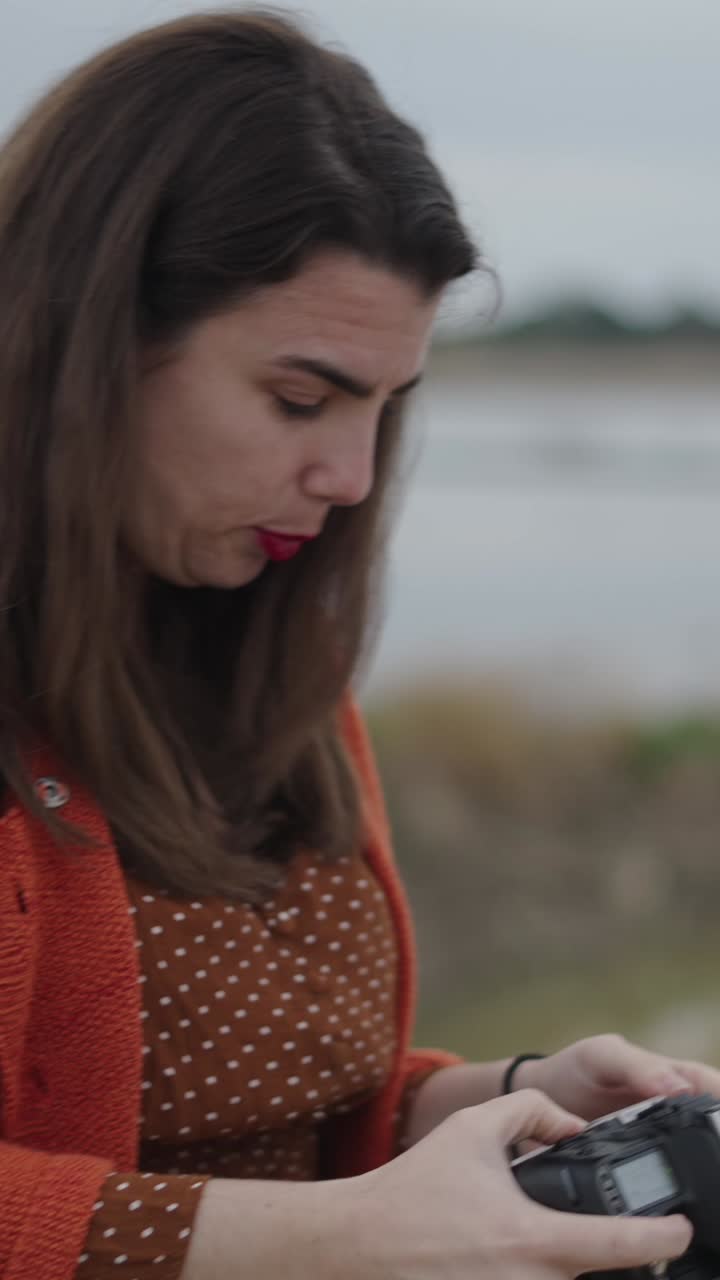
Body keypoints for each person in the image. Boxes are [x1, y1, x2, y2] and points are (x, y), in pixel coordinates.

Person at [0, 10, 716, 1280]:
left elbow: (286, 1120)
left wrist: (509, 1100)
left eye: (385, 409)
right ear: (85, 344)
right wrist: (341, 1237)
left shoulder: (269, 664)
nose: (351, 476)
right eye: (300, 398)